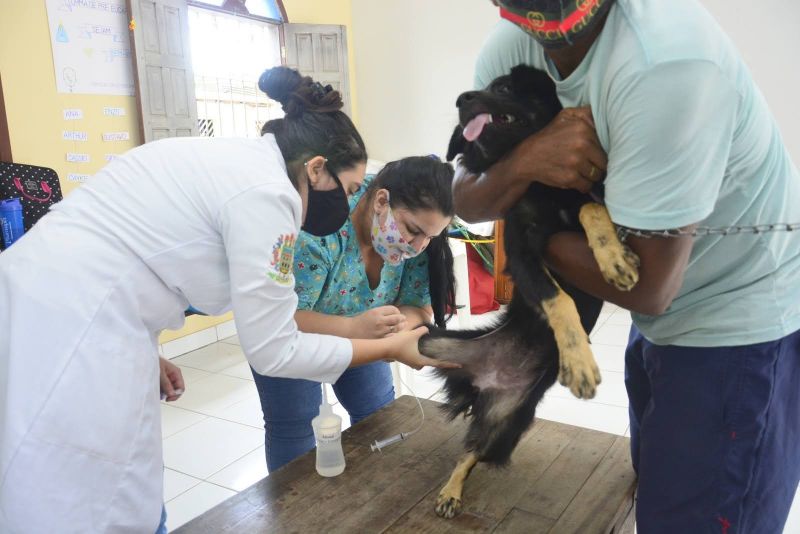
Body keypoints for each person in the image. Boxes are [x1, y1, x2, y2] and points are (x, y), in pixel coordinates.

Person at [0, 66, 456, 533]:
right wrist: (384, 347)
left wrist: (145, 344)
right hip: (73, 321)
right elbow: (273, 346)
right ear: (316, 168)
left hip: (85, 309)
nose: (351, 202)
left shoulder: (248, 167)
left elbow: (134, 252)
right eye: (351, 189)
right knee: (85, 490)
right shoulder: (269, 194)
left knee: (117, 482)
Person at [454, 1, 800, 532]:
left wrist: (529, 237)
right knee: (656, 495)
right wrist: (528, 160)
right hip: (659, 323)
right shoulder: (515, 44)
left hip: (735, 319)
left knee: (697, 516)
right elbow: (470, 196)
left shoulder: (665, 62)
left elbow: (648, 285)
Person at [252, 156, 456, 471]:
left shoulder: (418, 242)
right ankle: (292, 515)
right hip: (292, 336)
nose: (417, 246)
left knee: (379, 414)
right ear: (381, 200)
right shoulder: (318, 229)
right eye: (413, 231)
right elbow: (279, 318)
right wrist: (354, 328)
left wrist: (396, 329)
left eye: (430, 236)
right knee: (293, 426)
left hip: (367, 330)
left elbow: (418, 305)